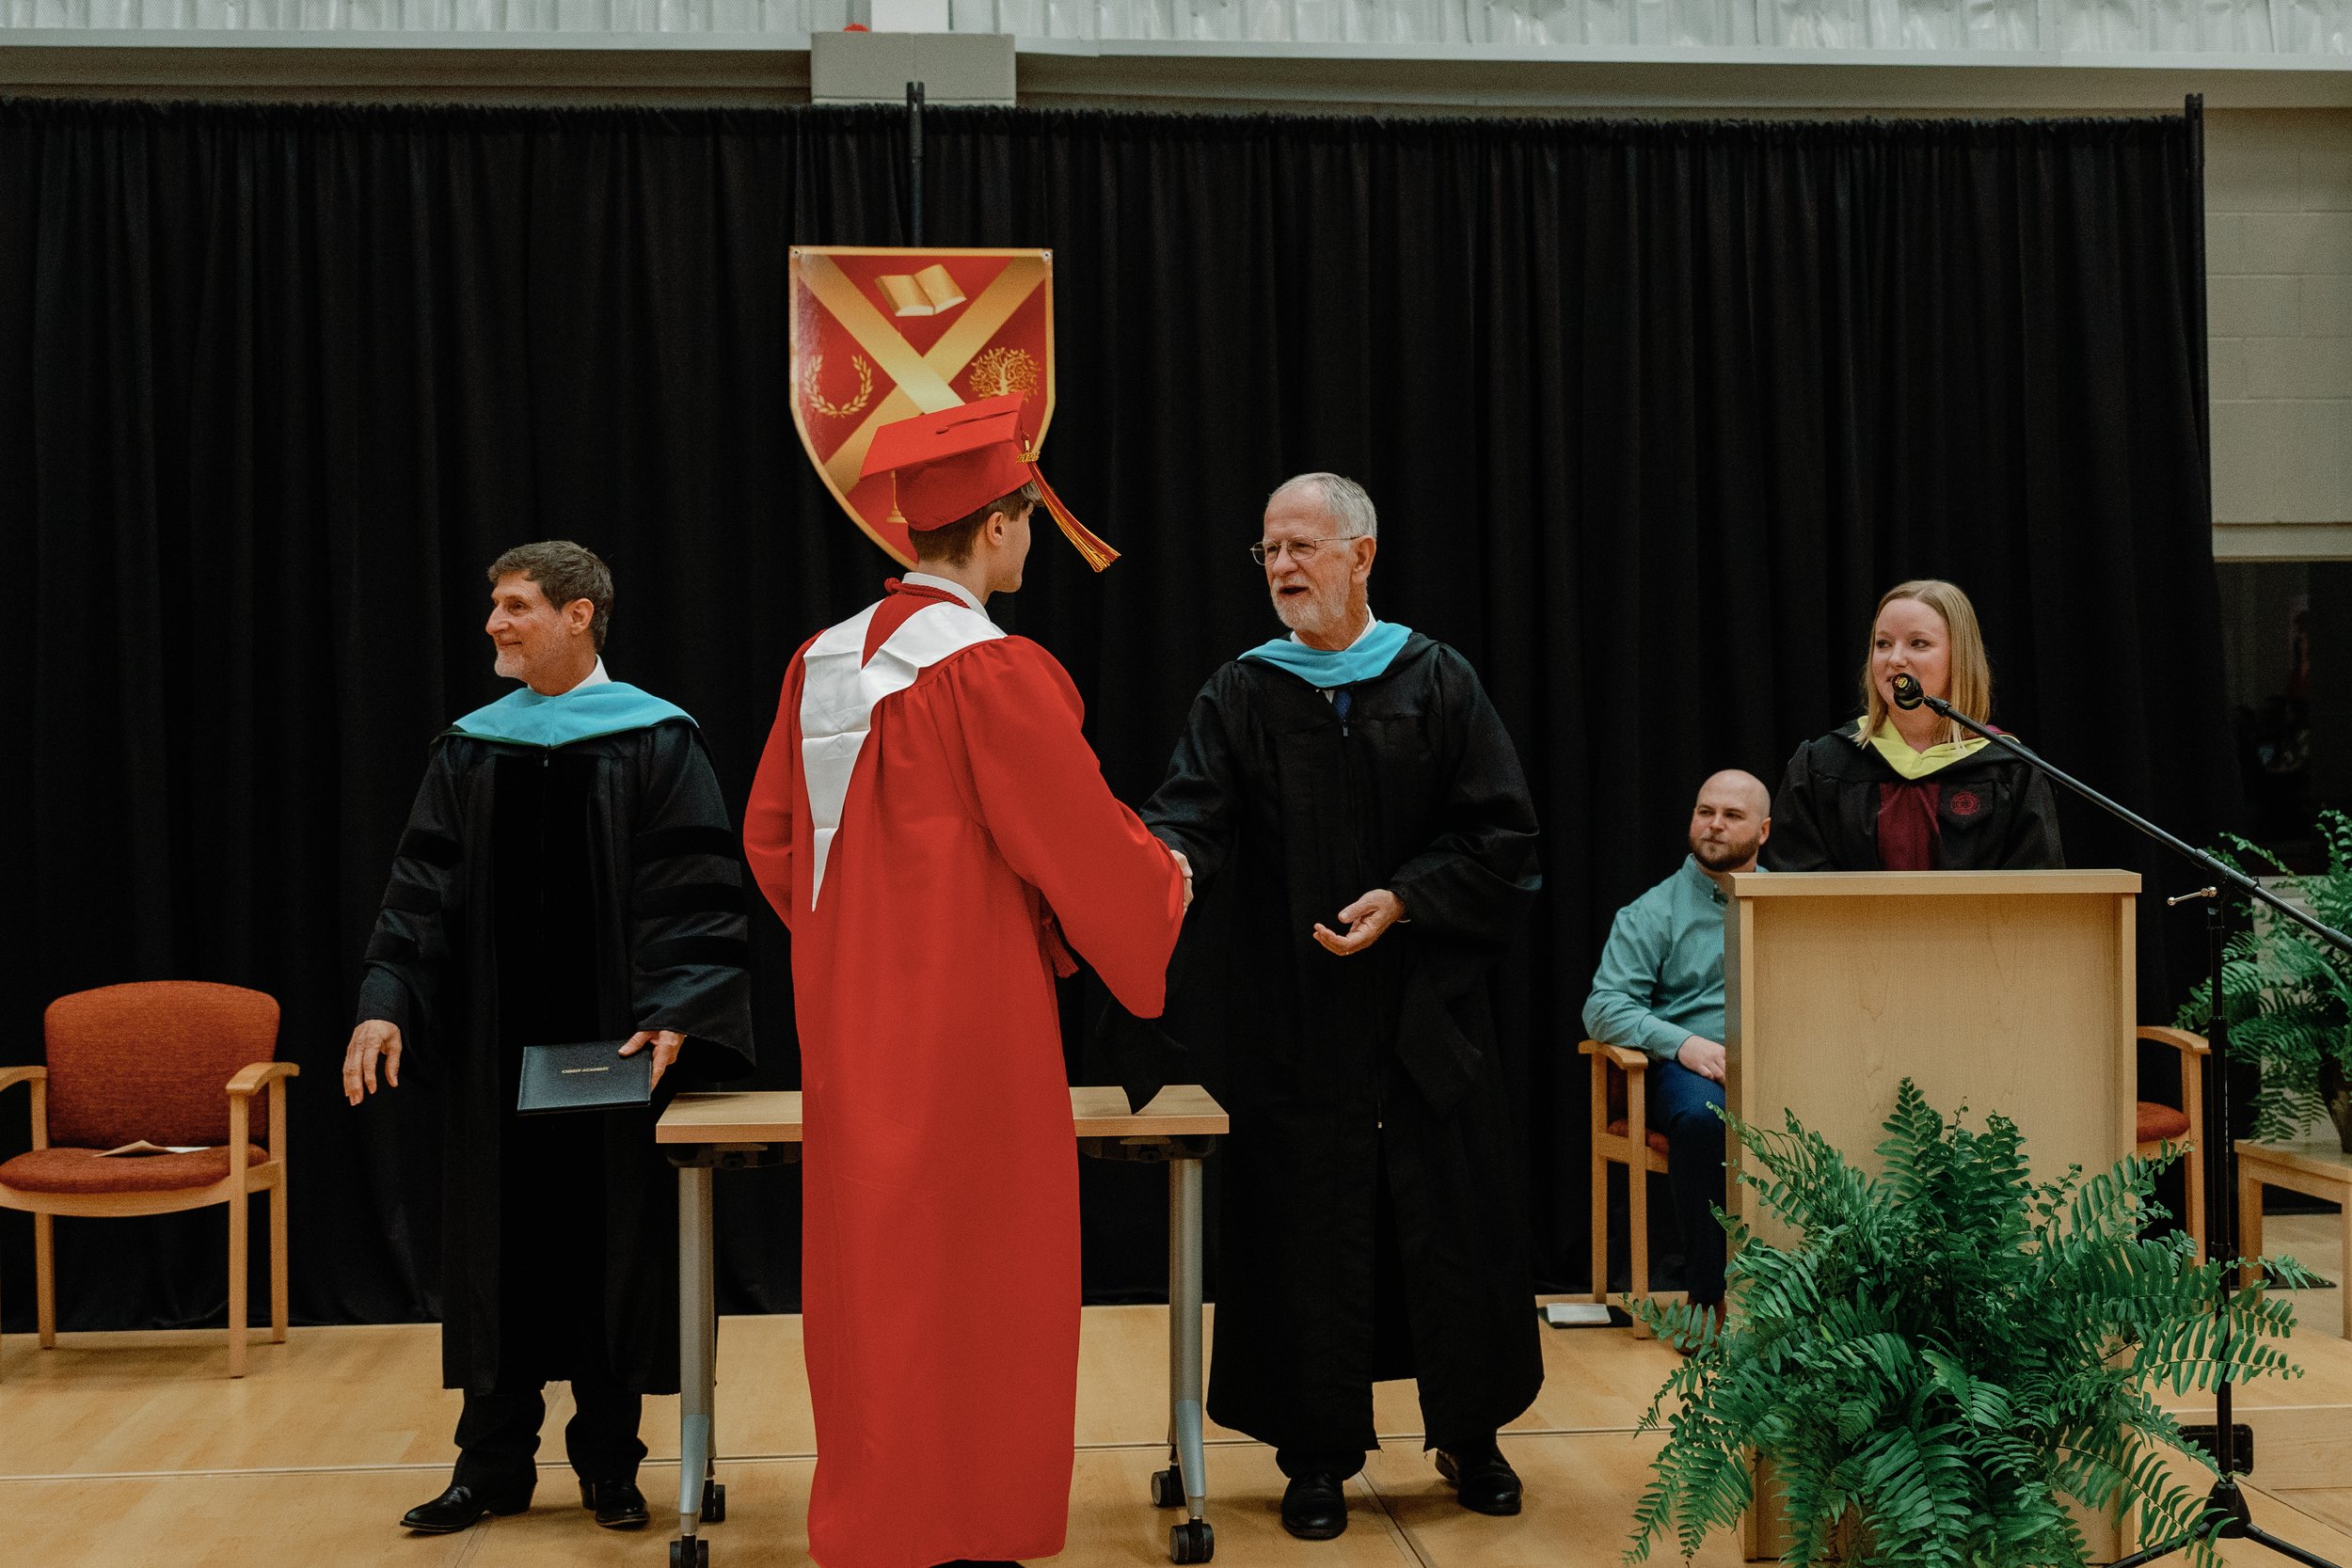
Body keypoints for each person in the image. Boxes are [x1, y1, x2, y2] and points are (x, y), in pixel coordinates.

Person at [741, 394, 1187, 1568]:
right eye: (1026, 521)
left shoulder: (818, 662)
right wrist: (1164, 882)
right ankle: (978, 1520)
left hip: (849, 1025)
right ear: (996, 525)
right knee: (989, 1266)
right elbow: (1079, 840)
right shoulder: (990, 670)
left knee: (874, 1272)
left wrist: (858, 946)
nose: (1031, 541)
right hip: (974, 1025)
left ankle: (880, 1519)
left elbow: (773, 844)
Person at [1136, 472, 1543, 1542]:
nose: (1281, 566)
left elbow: (1502, 836)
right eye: (1268, 550)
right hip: (1297, 1018)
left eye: (1301, 546)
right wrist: (1157, 863)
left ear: (1361, 555)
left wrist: (1406, 896)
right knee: (1304, 1230)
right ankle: (1315, 1453)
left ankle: (1471, 1433)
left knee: (1449, 1219)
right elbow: (1188, 816)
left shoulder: (1437, 679)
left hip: (1425, 1015)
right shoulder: (1241, 692)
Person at [343, 541, 755, 1535]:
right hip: (491, 1053)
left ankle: (611, 1463)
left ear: (579, 614)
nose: (495, 622)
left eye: (516, 604)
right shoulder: (471, 747)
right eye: (495, 604)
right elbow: (420, 885)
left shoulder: (656, 737)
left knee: (608, 1247)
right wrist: (385, 996)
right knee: (498, 1251)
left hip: (616, 1047)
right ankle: (489, 1467)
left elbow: (693, 885)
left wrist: (678, 1004)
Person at [1581, 769, 1771, 1338]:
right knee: (1703, 1120)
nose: (1714, 825)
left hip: (1780, 1061)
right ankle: (1708, 1296)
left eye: (1731, 816)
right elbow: (1603, 1007)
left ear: (1763, 831)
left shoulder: (1786, 903)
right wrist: (1681, 1044)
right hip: (1689, 1072)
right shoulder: (1653, 911)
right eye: (1704, 811)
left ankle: (1826, 1303)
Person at [1765, 578, 2063, 872]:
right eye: (1883, 644)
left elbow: (2035, 890)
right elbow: (1796, 882)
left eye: (1918, 643)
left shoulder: (2012, 770)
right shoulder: (1821, 766)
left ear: (1959, 657)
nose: (1894, 659)